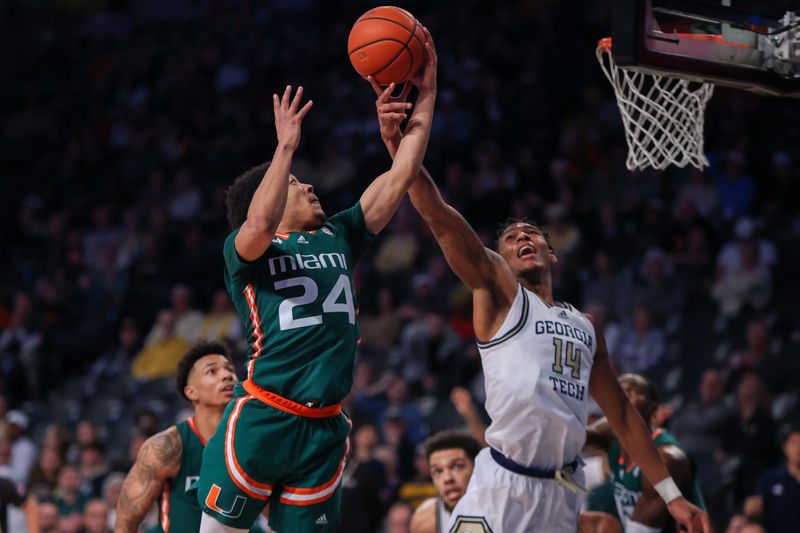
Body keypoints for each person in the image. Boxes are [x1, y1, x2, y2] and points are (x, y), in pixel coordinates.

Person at [373, 66, 709, 532]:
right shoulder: (497, 291)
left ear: (552, 254)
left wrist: (672, 497)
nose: (522, 238)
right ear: (500, 257)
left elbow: (623, 417)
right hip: (502, 488)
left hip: (561, 493)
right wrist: (400, 152)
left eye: (531, 234)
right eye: (511, 238)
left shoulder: (585, 325)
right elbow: (439, 216)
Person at [195, 31, 437, 533]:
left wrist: (428, 90)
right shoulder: (246, 253)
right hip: (264, 416)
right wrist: (284, 147)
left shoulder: (340, 233)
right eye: (294, 184)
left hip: (325, 424)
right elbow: (258, 225)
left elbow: (402, 174)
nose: (307, 185)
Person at [115, 341, 244, 533]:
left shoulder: (250, 442)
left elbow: (275, 514)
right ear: (191, 391)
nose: (227, 376)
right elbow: (126, 521)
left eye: (229, 369)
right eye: (212, 371)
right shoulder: (167, 446)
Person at [580, 373, 706, 532]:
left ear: (652, 409)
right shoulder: (610, 435)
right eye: (618, 390)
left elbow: (639, 530)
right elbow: (569, 441)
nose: (622, 396)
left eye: (632, 391)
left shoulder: (669, 457)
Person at [410, 431, 482, 533]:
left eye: (457, 466)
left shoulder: (504, 506)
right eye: (438, 471)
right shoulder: (425, 521)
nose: (447, 479)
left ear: (477, 468)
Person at [742, 423, 800, 533]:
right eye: (794, 443)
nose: (799, 448)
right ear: (784, 447)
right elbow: (755, 514)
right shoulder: (769, 479)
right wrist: (749, 511)